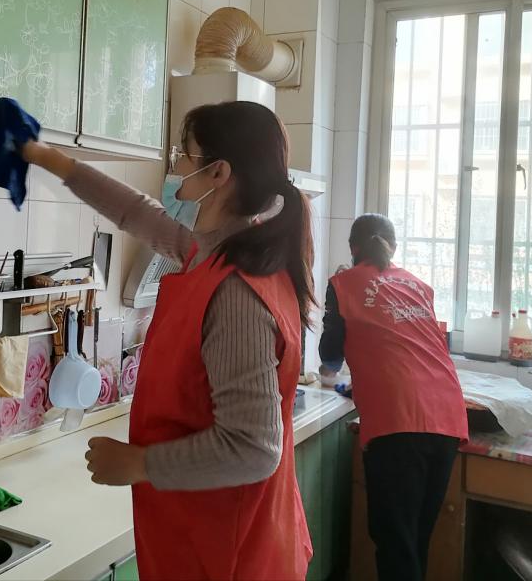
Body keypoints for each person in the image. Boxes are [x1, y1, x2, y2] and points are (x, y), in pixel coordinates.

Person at [21, 101, 314, 580]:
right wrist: (44, 156)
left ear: (218, 173)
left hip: (231, 555)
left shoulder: (236, 290)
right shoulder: (215, 252)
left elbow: (254, 449)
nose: (175, 169)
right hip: (208, 538)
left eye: (184, 155)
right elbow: (136, 213)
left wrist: (138, 463)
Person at [319, 214, 468, 581]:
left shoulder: (343, 284)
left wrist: (328, 372)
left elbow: (330, 356)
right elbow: (408, 349)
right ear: (394, 247)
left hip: (399, 422)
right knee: (414, 540)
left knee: (395, 545)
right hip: (447, 417)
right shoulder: (418, 285)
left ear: (352, 248)